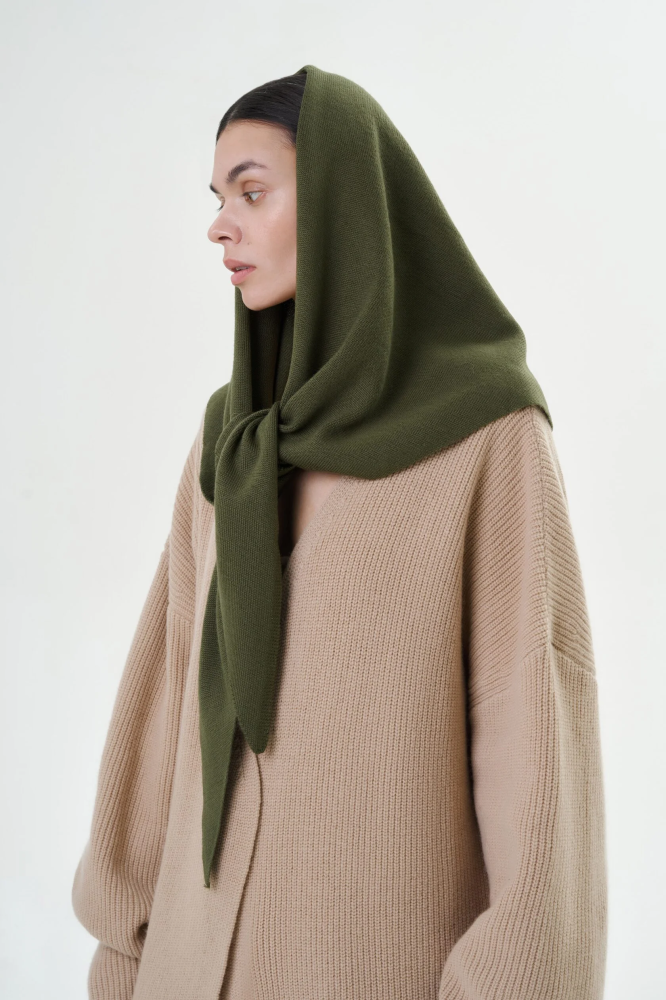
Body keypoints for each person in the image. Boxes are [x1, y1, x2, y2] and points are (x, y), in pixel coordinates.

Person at [71, 65, 608, 1000]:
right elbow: (163, 711)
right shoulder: (230, 442)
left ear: (341, 203)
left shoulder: (487, 435)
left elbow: (534, 746)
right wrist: (120, 962)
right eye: (217, 198)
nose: (219, 225)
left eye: (252, 191)